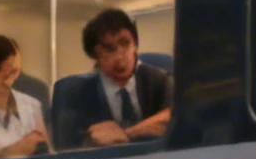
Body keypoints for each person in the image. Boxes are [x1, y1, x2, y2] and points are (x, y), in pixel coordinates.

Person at [50, 8, 173, 149]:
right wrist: (90, 143)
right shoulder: (75, 94)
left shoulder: (161, 80)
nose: (120, 57)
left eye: (125, 43)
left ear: (135, 45)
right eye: (109, 49)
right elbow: (67, 148)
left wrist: (126, 133)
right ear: (96, 55)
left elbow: (173, 119)